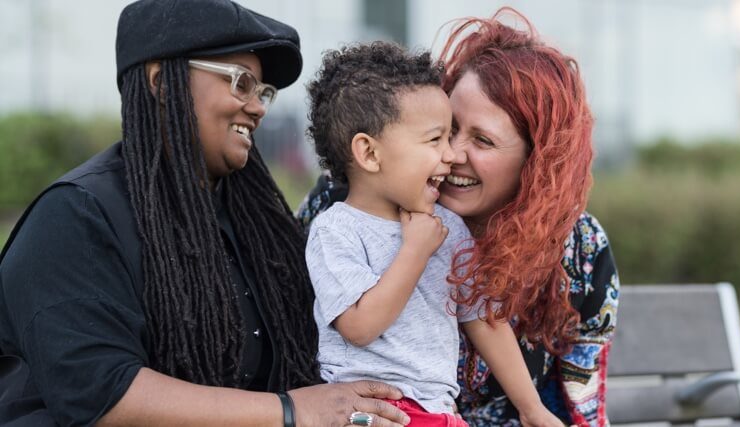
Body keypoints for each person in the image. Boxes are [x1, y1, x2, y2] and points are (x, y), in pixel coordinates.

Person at [0, 1, 411, 426]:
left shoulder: (254, 223)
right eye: (241, 82)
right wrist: (291, 410)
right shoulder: (75, 216)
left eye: (263, 91)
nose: (258, 107)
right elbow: (102, 394)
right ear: (161, 81)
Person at [297, 8, 619, 427]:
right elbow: (338, 331)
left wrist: (531, 409)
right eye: (445, 132)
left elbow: (488, 322)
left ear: (536, 163)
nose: (451, 155)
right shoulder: (342, 210)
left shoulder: (578, 252)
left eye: (482, 140)